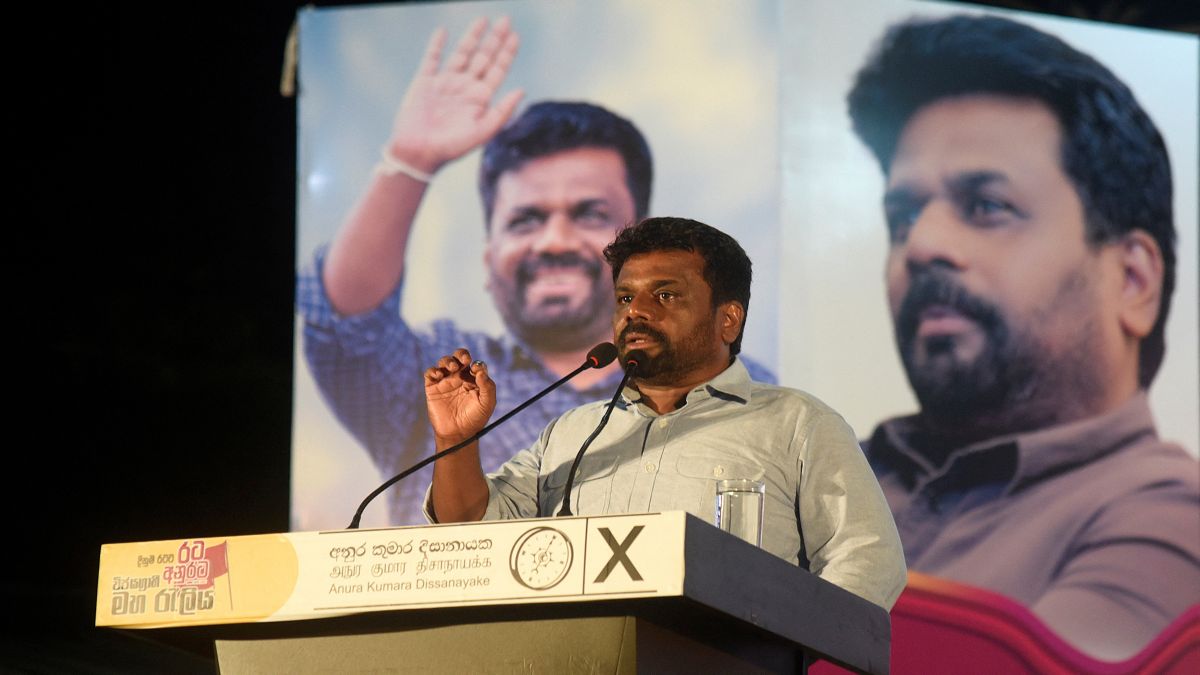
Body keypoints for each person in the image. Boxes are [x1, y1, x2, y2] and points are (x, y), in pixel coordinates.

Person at [296, 18, 777, 524]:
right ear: (488, 256)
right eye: (526, 219)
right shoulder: (439, 375)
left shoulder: (754, 401)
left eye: (589, 214)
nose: (554, 241)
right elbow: (341, 321)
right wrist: (408, 163)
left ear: (634, 243)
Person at [846, 14, 1200, 660]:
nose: (921, 245)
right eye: (903, 216)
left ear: (1133, 280)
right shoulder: (827, 473)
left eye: (987, 206)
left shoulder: (1171, 520)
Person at [421, 216, 907, 611]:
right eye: (626, 298)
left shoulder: (797, 424)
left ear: (728, 319)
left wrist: (775, 645)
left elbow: (867, 561)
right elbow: (471, 532)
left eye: (666, 295)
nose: (636, 311)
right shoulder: (573, 433)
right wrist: (454, 441)